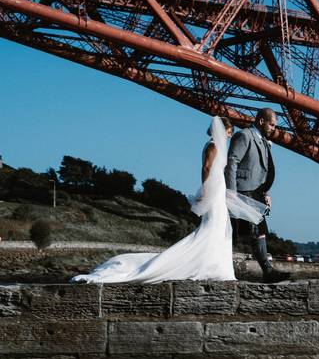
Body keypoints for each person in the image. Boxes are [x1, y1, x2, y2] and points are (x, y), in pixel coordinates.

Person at [72, 117, 267, 283]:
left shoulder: (217, 146)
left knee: (221, 226)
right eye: (229, 132)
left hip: (219, 188)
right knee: (213, 226)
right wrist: (206, 189)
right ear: (223, 130)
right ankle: (207, 266)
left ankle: (216, 267)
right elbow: (207, 168)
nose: (230, 136)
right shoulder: (214, 145)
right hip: (214, 189)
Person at [225, 108, 290, 283]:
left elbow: (262, 170)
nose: (273, 128)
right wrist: (231, 193)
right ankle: (264, 271)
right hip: (243, 191)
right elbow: (232, 162)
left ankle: (267, 271)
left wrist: (265, 192)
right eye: (272, 124)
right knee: (235, 232)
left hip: (256, 192)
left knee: (259, 231)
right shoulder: (245, 135)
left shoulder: (262, 140)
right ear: (261, 121)